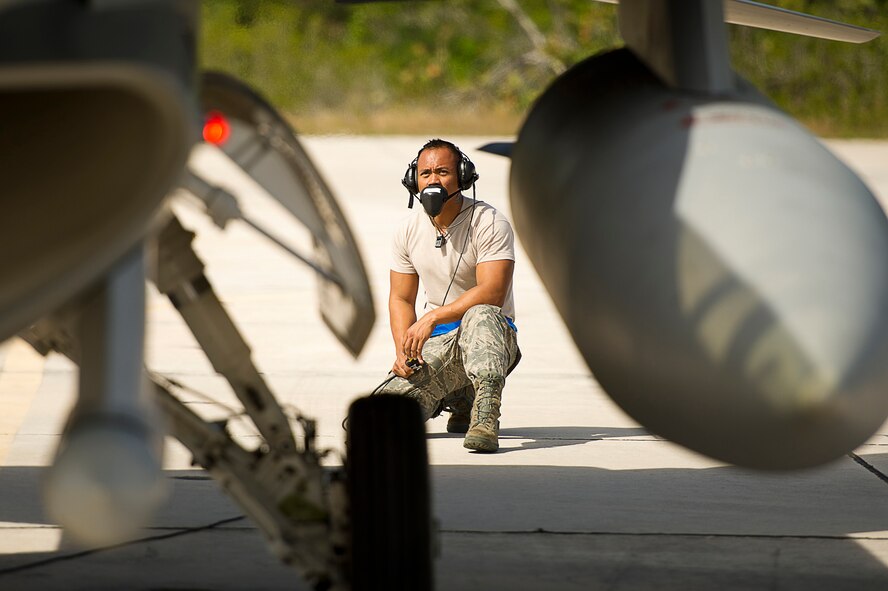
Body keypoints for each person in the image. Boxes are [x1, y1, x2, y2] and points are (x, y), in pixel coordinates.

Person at [378, 138, 520, 453]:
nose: (433, 180)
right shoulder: (407, 230)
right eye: (426, 173)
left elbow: (493, 292)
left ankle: (485, 414)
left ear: (463, 177)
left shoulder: (489, 222)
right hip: (439, 344)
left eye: (442, 172)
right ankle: (459, 396)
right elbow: (400, 298)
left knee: (481, 313)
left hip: (491, 338)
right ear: (413, 179)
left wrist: (433, 317)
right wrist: (405, 352)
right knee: (381, 418)